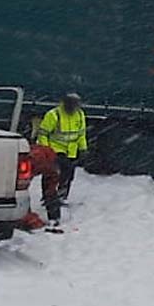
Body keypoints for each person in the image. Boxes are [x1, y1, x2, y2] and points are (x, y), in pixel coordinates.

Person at [36, 92, 87, 228]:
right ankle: (50, 199)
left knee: (68, 175)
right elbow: (43, 134)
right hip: (55, 151)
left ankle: (61, 195)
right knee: (52, 176)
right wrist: (46, 151)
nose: (74, 107)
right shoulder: (54, 115)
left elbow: (81, 134)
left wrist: (83, 149)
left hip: (71, 151)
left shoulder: (80, 115)